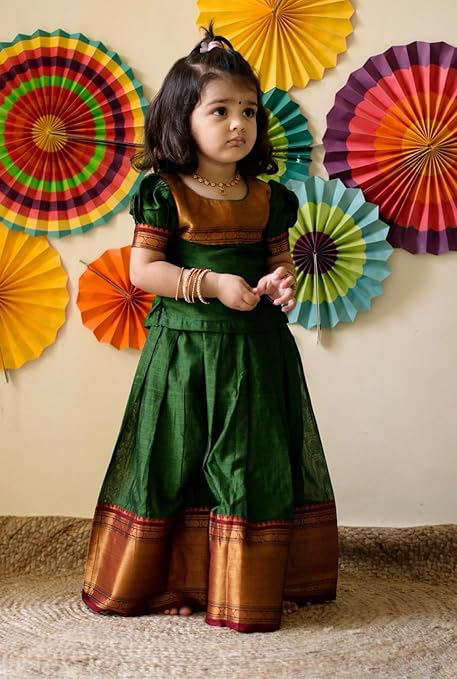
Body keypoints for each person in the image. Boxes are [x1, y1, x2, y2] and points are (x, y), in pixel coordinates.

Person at [82, 24, 338, 634]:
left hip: (257, 354)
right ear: (182, 119)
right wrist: (215, 284)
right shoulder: (164, 192)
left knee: (251, 462)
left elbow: (280, 264)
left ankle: (250, 585)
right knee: (177, 460)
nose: (237, 124)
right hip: (183, 354)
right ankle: (176, 582)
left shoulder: (270, 198)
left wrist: (281, 284)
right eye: (219, 110)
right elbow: (145, 270)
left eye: (248, 110)